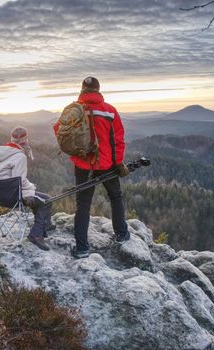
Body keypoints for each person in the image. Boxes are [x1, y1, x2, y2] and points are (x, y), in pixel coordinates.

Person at [55, 77, 130, 259]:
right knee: (115, 197)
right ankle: (121, 234)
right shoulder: (110, 111)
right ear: (98, 89)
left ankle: (82, 248)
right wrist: (119, 162)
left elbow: (58, 130)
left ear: (82, 89)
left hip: (83, 165)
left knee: (83, 205)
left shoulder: (73, 110)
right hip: (106, 164)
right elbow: (118, 140)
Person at [0, 126, 55, 251]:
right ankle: (36, 234)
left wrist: (29, 188)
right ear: (25, 140)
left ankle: (45, 225)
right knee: (46, 200)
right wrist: (31, 187)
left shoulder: (0, 153)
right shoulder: (19, 156)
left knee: (36, 196)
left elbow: (8, 178)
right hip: (12, 197)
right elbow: (18, 182)